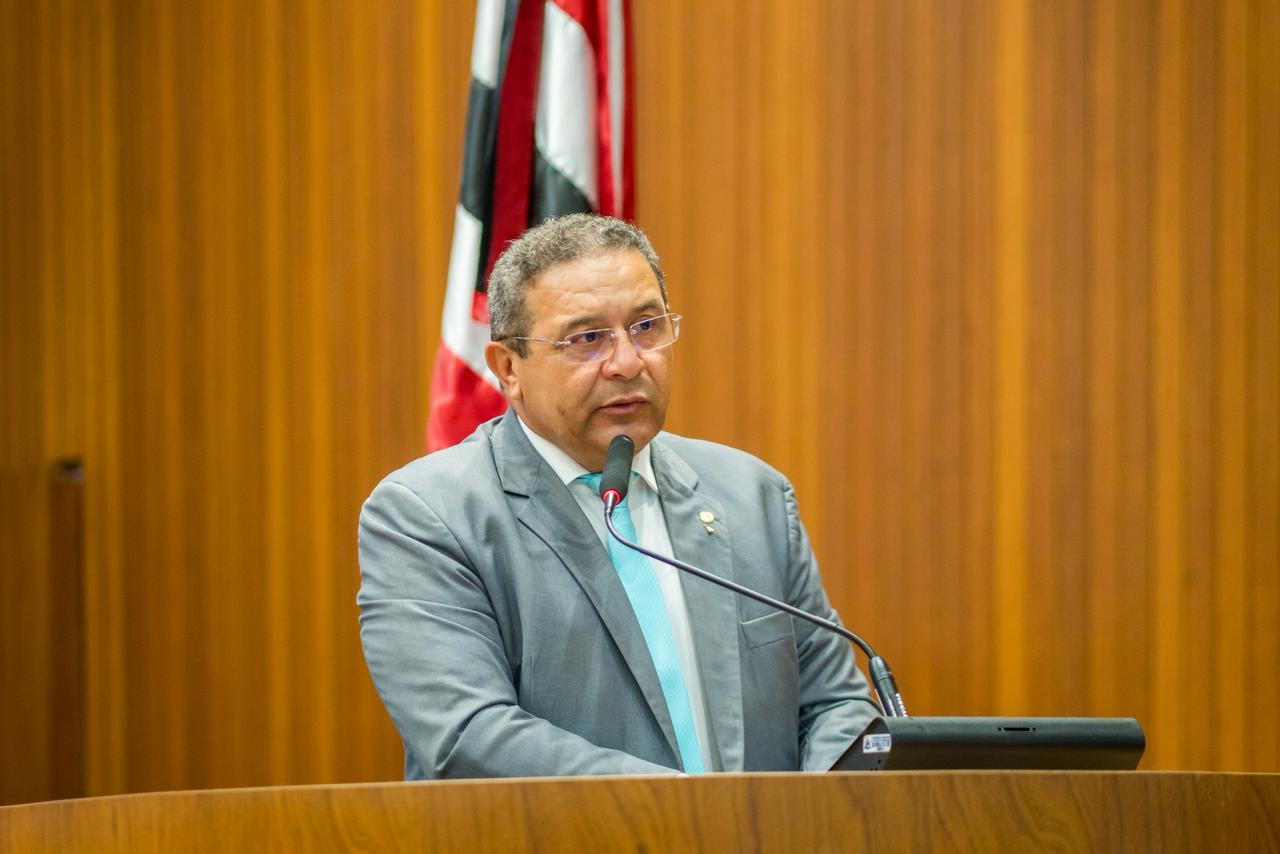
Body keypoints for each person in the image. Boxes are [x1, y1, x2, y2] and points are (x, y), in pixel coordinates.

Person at [357, 214, 880, 779]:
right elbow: (470, 736)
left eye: (646, 326)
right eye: (586, 339)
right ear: (508, 368)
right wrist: (700, 816)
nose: (629, 362)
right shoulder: (428, 517)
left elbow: (835, 706)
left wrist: (815, 807)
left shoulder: (751, 497)